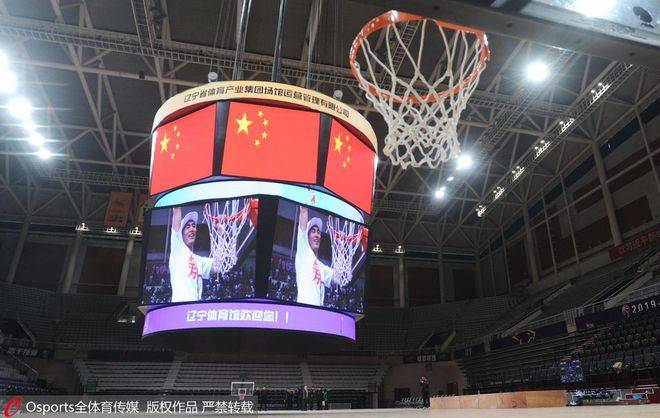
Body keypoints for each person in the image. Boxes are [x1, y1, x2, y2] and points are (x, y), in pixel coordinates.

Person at [168, 207, 221, 302]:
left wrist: (220, 233)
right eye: (188, 227)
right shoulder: (178, 248)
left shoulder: (198, 260)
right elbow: (177, 210)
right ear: (181, 234)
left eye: (193, 226)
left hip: (194, 307)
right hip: (179, 306)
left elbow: (218, 266)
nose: (192, 229)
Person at [295, 206, 339, 306]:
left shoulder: (321, 266)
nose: (316, 234)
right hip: (304, 309)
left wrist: (341, 247)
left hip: (318, 311)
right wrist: (305, 207)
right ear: (306, 237)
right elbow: (303, 212)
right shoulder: (303, 251)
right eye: (313, 231)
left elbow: (338, 278)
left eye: (318, 232)